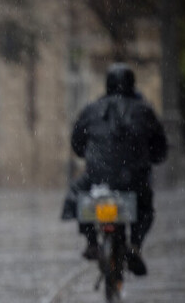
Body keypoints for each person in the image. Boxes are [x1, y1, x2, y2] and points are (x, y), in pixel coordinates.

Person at [66, 63, 167, 276]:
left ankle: (92, 242)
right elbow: (160, 149)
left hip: (97, 180)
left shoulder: (91, 110)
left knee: (77, 193)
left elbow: (76, 144)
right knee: (145, 206)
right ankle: (135, 245)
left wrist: (93, 158)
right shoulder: (144, 110)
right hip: (133, 180)